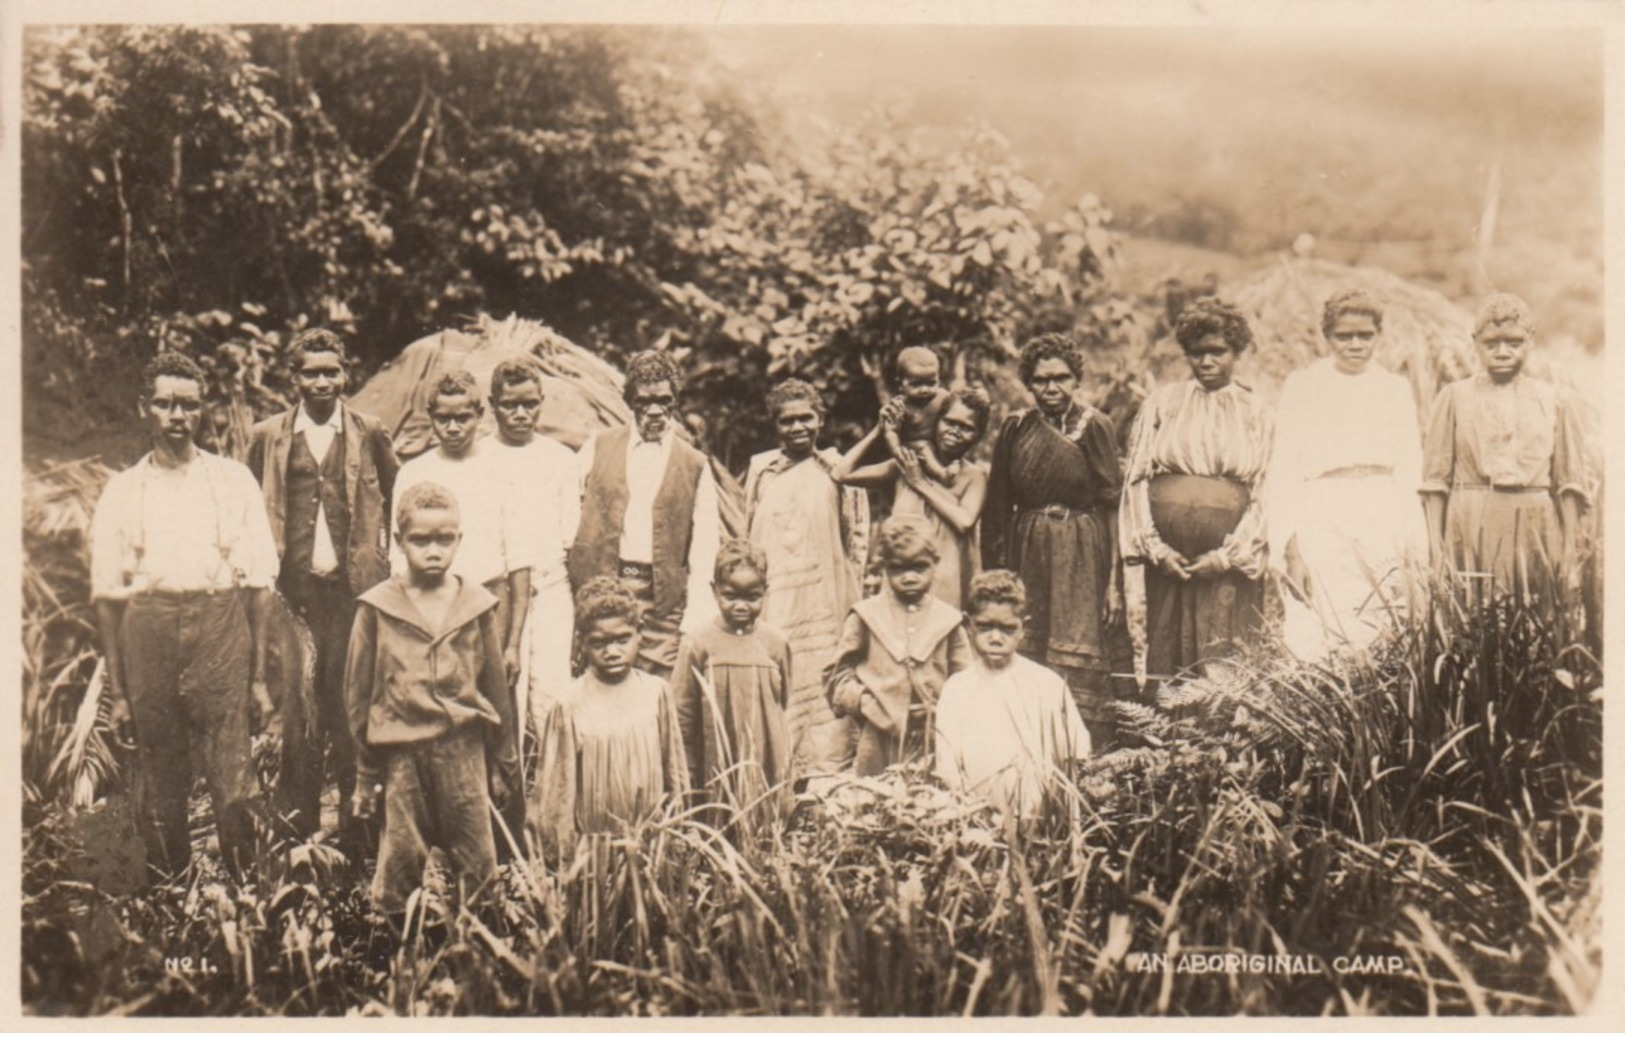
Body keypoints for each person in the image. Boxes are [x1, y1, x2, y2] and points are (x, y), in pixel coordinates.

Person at [90, 352, 279, 881]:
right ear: (143, 409)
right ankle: (172, 897)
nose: (177, 416)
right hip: (148, 629)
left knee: (234, 778)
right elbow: (108, 596)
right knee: (158, 777)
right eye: (165, 404)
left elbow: (260, 584)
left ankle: (248, 900)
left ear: (202, 411)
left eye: (188, 405)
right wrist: (121, 693)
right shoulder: (123, 491)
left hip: (219, 625)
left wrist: (258, 678)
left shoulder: (231, 479)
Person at [246, 328, 400, 856]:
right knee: (300, 708)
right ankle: (298, 830)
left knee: (351, 705)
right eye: (310, 372)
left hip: (355, 594)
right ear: (293, 378)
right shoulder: (268, 435)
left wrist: (381, 563)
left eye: (330, 371)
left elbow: (394, 499)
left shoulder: (370, 430)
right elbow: (253, 505)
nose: (321, 381)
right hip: (295, 596)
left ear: (345, 375)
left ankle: (360, 834)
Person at [346, 482, 521, 919]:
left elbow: (497, 689)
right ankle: (396, 956)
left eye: (445, 539)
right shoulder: (377, 607)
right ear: (399, 541)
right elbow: (358, 695)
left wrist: (503, 763)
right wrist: (366, 774)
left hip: (463, 751)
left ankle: (479, 956)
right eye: (420, 540)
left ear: (459, 540)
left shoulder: (476, 604)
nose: (433, 550)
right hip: (402, 754)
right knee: (400, 861)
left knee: (478, 864)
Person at [391, 369, 528, 849]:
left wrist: (510, 641)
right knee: (438, 719)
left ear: (480, 415)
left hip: (486, 607)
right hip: (430, 611)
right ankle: (438, 836)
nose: (453, 428)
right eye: (443, 419)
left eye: (462, 418)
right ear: (430, 418)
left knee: (495, 718)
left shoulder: (503, 467)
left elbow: (518, 564)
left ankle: (505, 839)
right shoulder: (413, 471)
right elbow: (397, 563)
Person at [981, 333, 1126, 746]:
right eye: (1042, 379)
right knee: (1029, 639)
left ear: (1076, 379)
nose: (1052, 387)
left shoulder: (1096, 426)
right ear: (1029, 383)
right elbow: (996, 506)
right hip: (1029, 549)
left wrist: (1114, 580)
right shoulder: (1016, 428)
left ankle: (1083, 744)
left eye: (1061, 377)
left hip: (1082, 550)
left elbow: (1111, 504)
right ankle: (1026, 736)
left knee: (1081, 640)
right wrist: (996, 576)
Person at [1121, 297, 1274, 687]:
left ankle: (1220, 738)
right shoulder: (1162, 404)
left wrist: (1226, 557)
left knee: (1222, 648)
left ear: (1236, 351)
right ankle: (1167, 738)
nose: (1207, 362)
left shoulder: (1257, 411)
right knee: (1167, 647)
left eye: (1217, 352)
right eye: (1197, 353)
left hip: (1225, 561)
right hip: (1169, 560)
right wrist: (1156, 548)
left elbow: (1266, 490)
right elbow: (1136, 478)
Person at [1268, 290, 1425, 656]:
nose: (1355, 344)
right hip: (1322, 508)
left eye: (1365, 335)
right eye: (1344, 336)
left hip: (1380, 509)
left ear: (1377, 336)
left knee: (1379, 615)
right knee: (1323, 614)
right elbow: (1284, 470)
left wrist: (1412, 543)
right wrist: (1291, 549)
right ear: (1327, 337)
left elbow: (1408, 468)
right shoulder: (1303, 385)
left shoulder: (1395, 389)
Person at [1420, 293, 1590, 606]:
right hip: (1470, 526)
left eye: (1514, 343)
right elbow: (1434, 483)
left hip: (1534, 529)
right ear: (1475, 342)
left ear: (1531, 342)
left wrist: (1567, 557)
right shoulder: (1455, 397)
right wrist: (1437, 552)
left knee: (1533, 626)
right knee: (1473, 627)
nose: (1502, 352)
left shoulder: (1554, 400)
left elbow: (1569, 484)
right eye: (1492, 343)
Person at [569, 351, 721, 678]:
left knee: (659, 691)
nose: (654, 410)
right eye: (644, 401)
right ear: (629, 402)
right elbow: (568, 514)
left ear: (675, 401)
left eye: (664, 400)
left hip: (662, 602)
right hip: (604, 590)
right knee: (602, 685)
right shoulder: (598, 446)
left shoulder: (694, 463)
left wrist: (695, 613)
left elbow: (705, 545)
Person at [743, 379, 867, 774]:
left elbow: (857, 538)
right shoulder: (761, 470)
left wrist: (854, 593)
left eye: (805, 419)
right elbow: (750, 531)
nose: (797, 428)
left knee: (824, 671)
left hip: (826, 594)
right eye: (787, 421)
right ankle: (781, 766)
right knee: (780, 670)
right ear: (774, 426)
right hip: (778, 594)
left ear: (820, 420)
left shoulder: (839, 468)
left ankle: (826, 769)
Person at [532, 577, 690, 860]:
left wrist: (676, 837)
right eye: (600, 643)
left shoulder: (656, 693)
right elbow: (559, 792)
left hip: (651, 844)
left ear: (639, 632)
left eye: (621, 640)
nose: (612, 652)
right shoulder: (569, 705)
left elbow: (675, 772)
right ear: (581, 643)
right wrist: (564, 856)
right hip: (595, 852)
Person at [934, 570, 1091, 819]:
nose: (995, 638)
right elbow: (948, 768)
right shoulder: (957, 689)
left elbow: (1074, 757)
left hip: (1041, 819)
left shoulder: (1046, 685)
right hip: (975, 821)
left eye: (1007, 629)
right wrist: (975, 815)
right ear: (968, 625)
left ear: (1023, 628)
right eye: (984, 627)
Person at [826, 516, 971, 777]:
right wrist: (864, 702)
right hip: (879, 737)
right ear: (884, 568)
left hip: (935, 738)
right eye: (898, 569)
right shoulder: (866, 616)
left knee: (933, 805)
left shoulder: (949, 620)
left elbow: (968, 681)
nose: (910, 577)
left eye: (919, 567)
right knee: (874, 806)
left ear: (935, 565)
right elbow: (836, 675)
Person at [485, 357, 581, 746]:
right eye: (510, 405)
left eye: (530, 404)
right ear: (492, 406)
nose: (521, 414)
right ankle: (508, 796)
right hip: (497, 590)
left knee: (551, 693)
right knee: (500, 690)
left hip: (550, 586)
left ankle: (554, 789)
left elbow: (570, 537)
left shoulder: (560, 459)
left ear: (542, 401)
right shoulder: (479, 457)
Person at [670, 540, 795, 831]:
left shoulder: (776, 644)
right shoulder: (698, 642)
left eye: (752, 597)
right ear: (714, 591)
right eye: (730, 596)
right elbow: (682, 714)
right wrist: (687, 774)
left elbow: (783, 701)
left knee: (765, 829)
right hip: (714, 763)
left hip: (765, 762)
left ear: (766, 592)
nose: (741, 606)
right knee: (720, 828)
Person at [834, 390, 990, 608]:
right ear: (937, 421)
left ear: (978, 436)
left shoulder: (973, 476)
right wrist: (881, 429)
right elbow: (841, 473)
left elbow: (964, 521)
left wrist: (919, 484)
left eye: (966, 428)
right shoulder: (908, 463)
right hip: (903, 578)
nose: (955, 431)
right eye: (949, 422)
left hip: (948, 583)